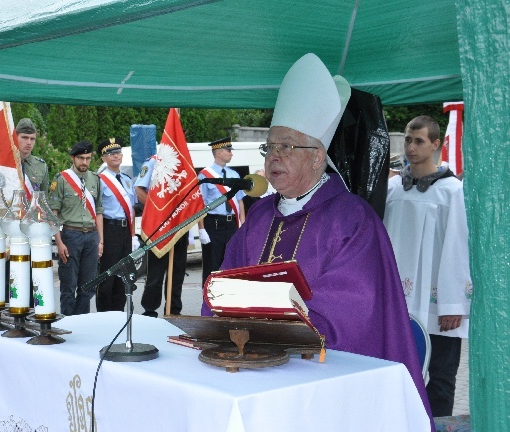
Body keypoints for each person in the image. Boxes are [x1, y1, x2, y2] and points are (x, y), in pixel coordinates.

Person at [205, 53, 434, 425]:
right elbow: (222, 286)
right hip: (249, 371)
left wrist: (275, 315)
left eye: (286, 146)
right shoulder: (260, 215)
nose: (273, 157)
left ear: (317, 158)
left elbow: (355, 309)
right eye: (269, 147)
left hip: (323, 383)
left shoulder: (352, 218)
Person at [383, 115, 471, 417]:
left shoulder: (451, 191)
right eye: (408, 139)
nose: (411, 146)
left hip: (436, 303)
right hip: (397, 299)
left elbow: (458, 247)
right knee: (397, 373)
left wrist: (452, 303)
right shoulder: (393, 188)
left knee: (440, 379)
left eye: (419, 140)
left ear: (436, 144)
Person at [49, 141, 103, 315]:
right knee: (68, 286)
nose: (84, 162)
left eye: (88, 158)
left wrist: (101, 240)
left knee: (88, 286)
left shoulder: (95, 179)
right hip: (70, 235)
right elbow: (53, 214)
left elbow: (99, 211)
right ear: (73, 158)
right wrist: (58, 242)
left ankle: (82, 323)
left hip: (91, 236)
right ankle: (68, 324)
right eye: (81, 158)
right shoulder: (61, 180)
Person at [135, 156, 189, 317]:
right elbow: (139, 190)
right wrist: (159, 211)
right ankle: (150, 309)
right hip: (160, 224)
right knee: (155, 272)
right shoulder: (153, 162)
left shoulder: (184, 163)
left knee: (178, 271)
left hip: (179, 224)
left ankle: (173, 310)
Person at [96, 138, 139, 312]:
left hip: (125, 231)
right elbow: (96, 211)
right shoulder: (100, 180)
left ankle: (119, 313)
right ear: (103, 158)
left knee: (123, 275)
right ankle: (105, 315)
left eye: (118, 153)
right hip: (109, 229)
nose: (115, 156)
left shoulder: (127, 180)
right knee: (108, 275)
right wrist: (100, 239)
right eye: (110, 154)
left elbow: (132, 210)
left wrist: (134, 235)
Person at [197, 137, 246, 286]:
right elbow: (200, 204)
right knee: (212, 265)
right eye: (228, 150)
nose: (231, 154)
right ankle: (209, 303)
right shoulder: (205, 175)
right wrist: (201, 229)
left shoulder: (234, 175)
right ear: (218, 152)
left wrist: (242, 224)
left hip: (232, 224)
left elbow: (240, 201)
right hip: (214, 224)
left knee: (231, 265)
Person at [16, 118, 49, 193]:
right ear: (15, 137)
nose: (29, 142)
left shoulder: (41, 166)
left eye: (32, 139)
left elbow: (44, 198)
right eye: (24, 137)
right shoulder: (4, 163)